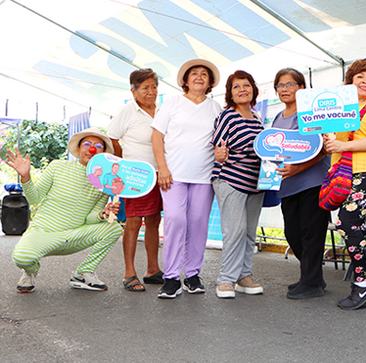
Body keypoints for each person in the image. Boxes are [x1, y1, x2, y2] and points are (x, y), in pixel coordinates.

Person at [4, 128, 122, 293]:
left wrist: (103, 214)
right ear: (79, 148)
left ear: (103, 153)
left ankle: (83, 273)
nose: (91, 149)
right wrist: (26, 177)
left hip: (73, 236)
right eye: (87, 144)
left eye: (98, 146)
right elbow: (35, 198)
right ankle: (30, 271)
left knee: (114, 227)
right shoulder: (57, 166)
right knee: (22, 258)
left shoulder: (103, 181)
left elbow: (90, 218)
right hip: (43, 233)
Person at [151, 59, 222, 299]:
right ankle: (171, 278)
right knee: (175, 220)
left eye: (204, 74)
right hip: (173, 175)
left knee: (198, 223)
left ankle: (192, 275)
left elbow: (222, 140)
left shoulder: (216, 108)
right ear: (185, 80)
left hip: (204, 175)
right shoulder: (172, 103)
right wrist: (162, 168)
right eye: (194, 74)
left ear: (210, 82)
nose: (199, 77)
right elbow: (157, 136)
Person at [323, 58, 366, 310]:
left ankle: (363, 283)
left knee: (347, 220)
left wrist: (342, 146)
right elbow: (332, 141)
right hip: (341, 174)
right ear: (350, 81)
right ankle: (363, 284)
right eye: (359, 76)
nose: (365, 81)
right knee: (353, 223)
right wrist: (327, 136)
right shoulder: (339, 109)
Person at [271, 68, 331, 299]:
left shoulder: (311, 114)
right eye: (280, 85)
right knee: (292, 233)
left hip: (312, 182)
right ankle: (312, 275)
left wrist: (298, 168)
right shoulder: (278, 117)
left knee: (311, 233)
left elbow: (323, 149)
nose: (285, 89)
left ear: (302, 88)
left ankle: (311, 282)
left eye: (290, 84)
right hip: (287, 186)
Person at [107, 68, 164, 292]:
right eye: (145, 88)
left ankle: (152, 269)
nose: (151, 91)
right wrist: (124, 164)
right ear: (134, 91)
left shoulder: (162, 111)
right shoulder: (127, 111)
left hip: (159, 174)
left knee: (154, 220)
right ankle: (129, 273)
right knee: (132, 222)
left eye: (154, 87)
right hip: (135, 177)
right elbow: (111, 138)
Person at [211, 70, 265, 299]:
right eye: (236, 87)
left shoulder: (258, 118)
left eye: (246, 85)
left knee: (249, 232)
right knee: (235, 230)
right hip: (230, 179)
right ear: (230, 94)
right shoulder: (228, 116)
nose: (242, 89)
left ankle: (244, 275)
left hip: (256, 182)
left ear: (253, 89)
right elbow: (217, 146)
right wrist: (219, 153)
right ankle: (226, 279)